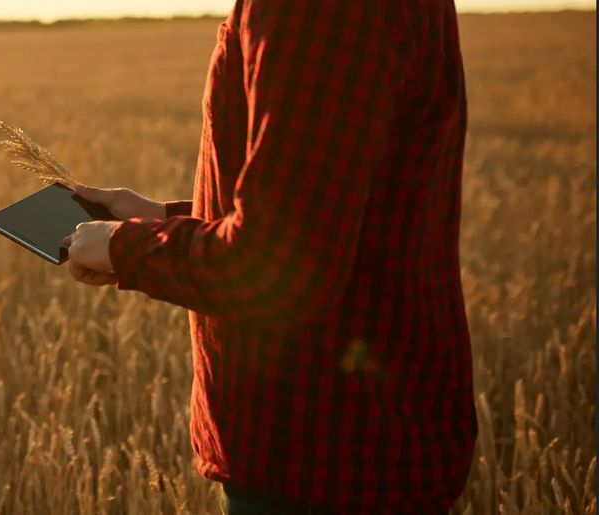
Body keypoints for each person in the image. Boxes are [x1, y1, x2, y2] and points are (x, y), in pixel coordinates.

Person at [63, 1, 477, 513]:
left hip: (320, 459)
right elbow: (323, 208)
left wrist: (125, 247)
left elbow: (282, 264)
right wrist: (161, 220)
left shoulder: (316, 12)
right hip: (349, 447)